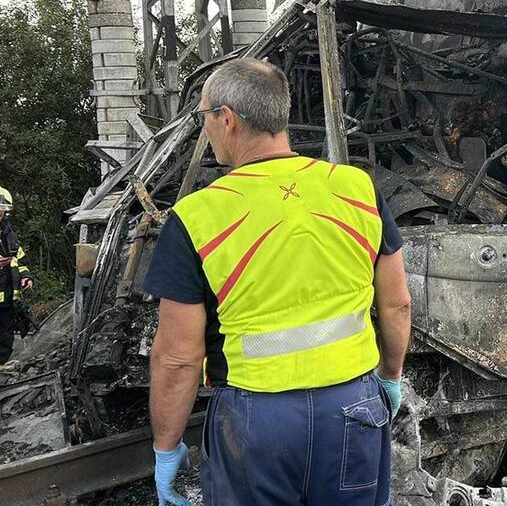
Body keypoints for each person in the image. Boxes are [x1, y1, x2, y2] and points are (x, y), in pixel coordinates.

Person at [141, 58, 412, 506]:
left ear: (226, 119)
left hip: (255, 423)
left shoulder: (197, 216)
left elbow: (176, 358)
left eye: (204, 117)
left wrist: (166, 449)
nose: (206, 128)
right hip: (354, 408)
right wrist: (390, 378)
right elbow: (397, 304)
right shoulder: (356, 188)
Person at [0, 187, 32, 365]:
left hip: (8, 299)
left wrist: (26, 277)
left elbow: (19, 259)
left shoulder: (8, 233)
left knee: (5, 337)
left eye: (2, 210)